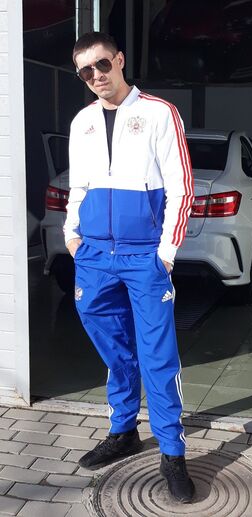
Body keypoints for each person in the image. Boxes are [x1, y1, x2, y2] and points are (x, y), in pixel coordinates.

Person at [64, 32, 195, 503]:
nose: (96, 75)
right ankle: (123, 431)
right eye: (85, 71)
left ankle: (172, 453)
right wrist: (71, 236)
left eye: (102, 64)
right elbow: (78, 185)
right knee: (114, 349)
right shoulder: (82, 122)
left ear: (119, 60)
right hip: (94, 256)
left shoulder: (159, 113)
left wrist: (166, 252)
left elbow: (181, 186)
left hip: (145, 257)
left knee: (157, 355)